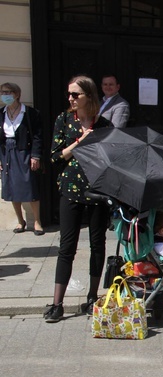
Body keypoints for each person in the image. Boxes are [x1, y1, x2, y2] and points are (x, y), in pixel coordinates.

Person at [45, 75, 113, 322]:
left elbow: (111, 161)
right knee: (67, 247)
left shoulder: (104, 125)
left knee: (98, 245)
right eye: (69, 94)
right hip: (71, 190)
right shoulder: (64, 120)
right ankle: (57, 304)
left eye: (76, 94)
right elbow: (54, 157)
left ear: (89, 96)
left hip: (97, 191)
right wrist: (79, 143)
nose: (71, 99)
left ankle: (93, 297)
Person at [0, 82, 44, 235]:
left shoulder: (30, 113)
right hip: (6, 153)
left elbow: (38, 136)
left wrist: (35, 156)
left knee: (30, 185)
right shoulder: (1, 113)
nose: (5, 95)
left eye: (8, 92)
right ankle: (20, 221)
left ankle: (37, 221)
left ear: (17, 94)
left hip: (24, 152)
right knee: (11, 187)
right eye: (3, 92)